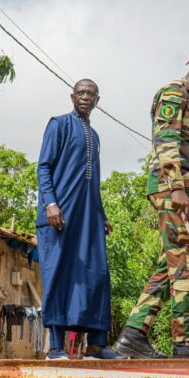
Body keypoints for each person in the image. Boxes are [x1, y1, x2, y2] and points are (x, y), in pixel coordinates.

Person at [113, 46, 189, 359]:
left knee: (173, 262)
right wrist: (177, 187)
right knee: (187, 261)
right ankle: (184, 341)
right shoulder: (174, 94)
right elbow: (166, 141)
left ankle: (133, 334)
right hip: (173, 187)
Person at [36, 79, 126, 360]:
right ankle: (56, 347)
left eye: (91, 93)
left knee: (96, 275)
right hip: (59, 216)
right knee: (58, 275)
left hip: (88, 218)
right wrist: (50, 203)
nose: (86, 97)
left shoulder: (95, 136)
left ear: (97, 100)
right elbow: (44, 167)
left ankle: (96, 345)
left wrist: (101, 214)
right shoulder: (58, 124)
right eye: (81, 92)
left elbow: (92, 181)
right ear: (73, 96)